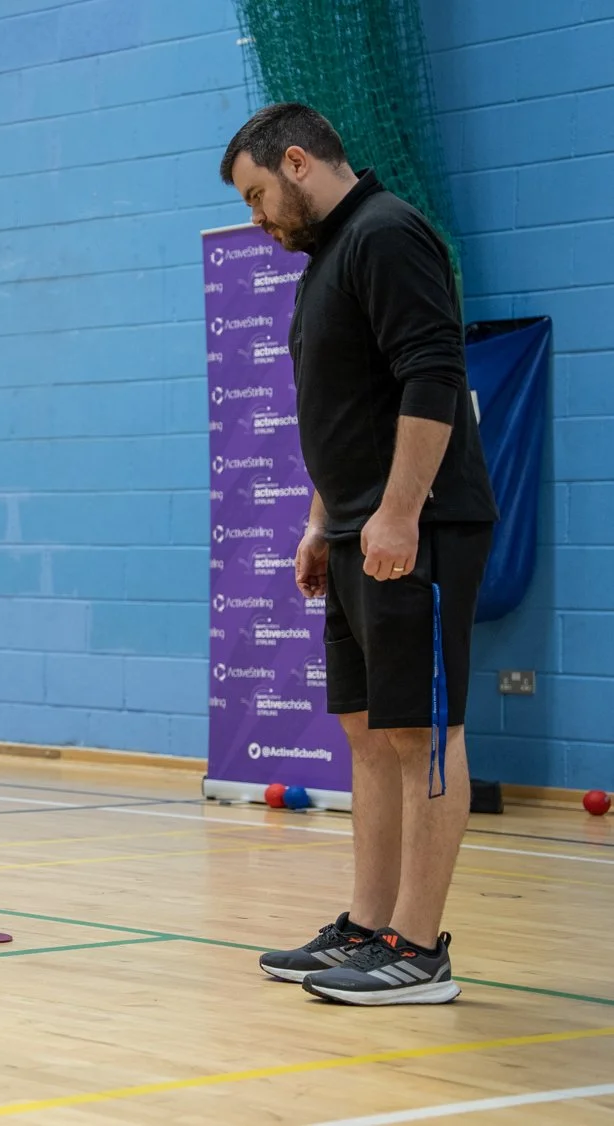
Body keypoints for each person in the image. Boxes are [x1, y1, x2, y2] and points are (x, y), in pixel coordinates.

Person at [220, 103, 497, 1005]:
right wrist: (319, 520)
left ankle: (419, 950)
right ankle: (369, 926)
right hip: (352, 528)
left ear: (297, 161)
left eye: (260, 195)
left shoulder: (386, 233)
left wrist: (400, 510)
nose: (259, 219)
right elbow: (345, 413)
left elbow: (432, 374)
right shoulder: (328, 259)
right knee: (368, 733)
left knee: (422, 733)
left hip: (416, 525)